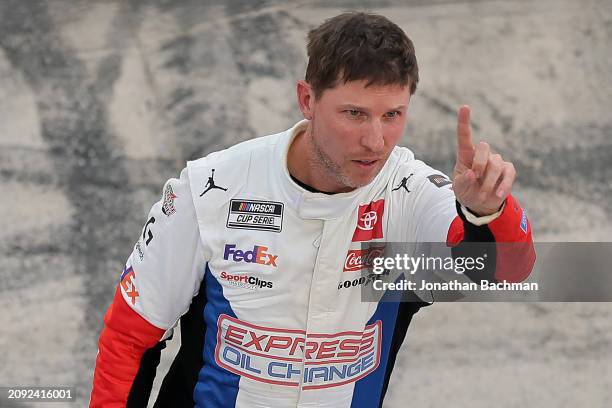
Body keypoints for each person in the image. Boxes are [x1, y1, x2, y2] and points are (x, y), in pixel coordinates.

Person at [90, 12, 535, 408]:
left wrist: (487, 213)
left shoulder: (409, 192)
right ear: (307, 99)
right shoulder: (211, 189)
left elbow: (506, 272)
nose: (376, 141)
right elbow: (131, 336)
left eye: (393, 114)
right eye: (355, 114)